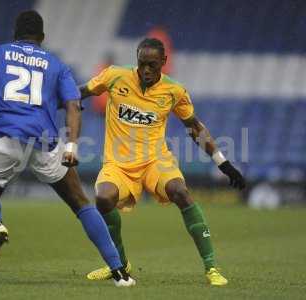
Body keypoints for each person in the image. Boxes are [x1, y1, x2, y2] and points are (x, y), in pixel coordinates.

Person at [0, 10, 135, 287]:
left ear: (15, 33)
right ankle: (119, 272)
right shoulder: (57, 65)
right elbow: (74, 105)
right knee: (80, 203)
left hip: (4, 137)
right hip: (45, 142)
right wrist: (72, 144)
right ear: (41, 37)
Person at [79, 38, 246, 286]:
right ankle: (119, 265)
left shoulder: (174, 91)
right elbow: (78, 92)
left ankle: (212, 267)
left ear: (163, 62)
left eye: (152, 65)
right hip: (119, 164)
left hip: (155, 161)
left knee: (180, 191)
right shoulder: (115, 76)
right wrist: (48, 99)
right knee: (103, 198)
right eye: (142, 64)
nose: (146, 70)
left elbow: (194, 127)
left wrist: (222, 163)